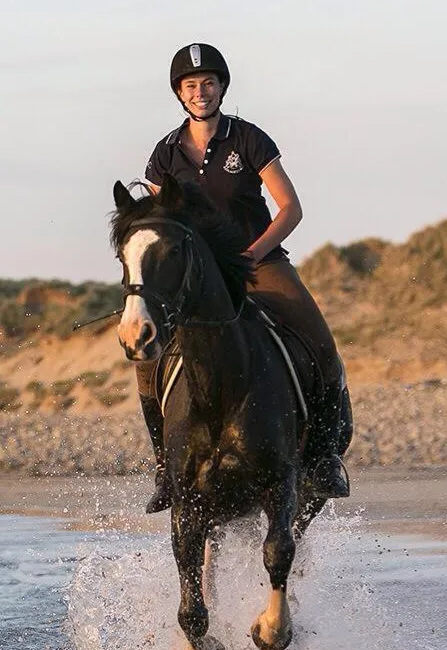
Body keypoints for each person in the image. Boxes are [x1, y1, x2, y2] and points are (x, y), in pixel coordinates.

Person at [136, 42, 349, 512]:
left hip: (259, 264)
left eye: (208, 83)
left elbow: (290, 208)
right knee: (148, 359)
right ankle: (162, 467)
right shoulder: (165, 153)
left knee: (320, 340)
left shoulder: (249, 138)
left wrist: (253, 253)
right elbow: (158, 223)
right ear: (179, 92)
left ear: (221, 87)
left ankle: (324, 455)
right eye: (190, 85)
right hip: (197, 280)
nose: (200, 92)